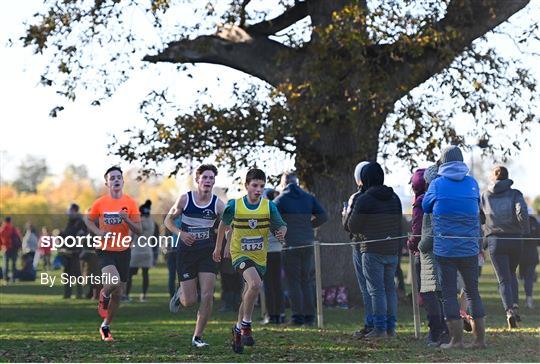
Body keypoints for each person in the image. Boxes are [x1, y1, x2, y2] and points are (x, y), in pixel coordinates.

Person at [213, 168, 287, 354]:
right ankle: (246, 324)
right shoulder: (235, 205)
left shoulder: (269, 206)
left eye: (261, 186)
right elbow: (223, 226)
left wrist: (281, 232)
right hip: (240, 254)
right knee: (255, 284)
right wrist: (218, 248)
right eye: (254, 185)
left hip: (260, 256)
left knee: (249, 292)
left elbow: (281, 225)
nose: (258, 189)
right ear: (246, 186)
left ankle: (237, 330)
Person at [423, 145, 486, 349]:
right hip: (469, 248)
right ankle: (479, 340)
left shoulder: (437, 184)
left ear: (443, 161)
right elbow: (476, 206)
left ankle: (456, 340)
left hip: (445, 248)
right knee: (472, 292)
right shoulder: (472, 183)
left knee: (449, 293)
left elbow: (425, 206)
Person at [165, 164, 226, 348]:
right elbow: (167, 220)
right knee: (189, 301)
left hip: (207, 252)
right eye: (205, 177)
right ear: (198, 180)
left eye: (211, 178)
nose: (208, 181)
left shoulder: (217, 204)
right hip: (186, 252)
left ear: (214, 181)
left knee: (207, 295)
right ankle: (180, 294)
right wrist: (181, 233)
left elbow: (227, 224)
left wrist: (222, 246)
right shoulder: (185, 199)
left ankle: (197, 337)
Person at [85, 166, 142, 341]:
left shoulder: (131, 203)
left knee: (119, 293)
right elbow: (88, 220)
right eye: (112, 178)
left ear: (123, 181)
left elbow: (138, 229)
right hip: (104, 249)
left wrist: (126, 220)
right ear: (107, 183)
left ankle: (106, 325)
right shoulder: (100, 203)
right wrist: (98, 232)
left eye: (118, 177)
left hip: (123, 251)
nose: (116, 180)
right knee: (113, 281)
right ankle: (103, 294)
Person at [347, 161, 403, 339]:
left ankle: (379, 329)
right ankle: (390, 329)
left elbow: (353, 226)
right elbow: (399, 223)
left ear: (364, 178)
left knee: (376, 291)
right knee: (389, 290)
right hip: (392, 249)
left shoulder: (365, 199)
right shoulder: (395, 198)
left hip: (372, 250)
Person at [274, 171, 328, 326]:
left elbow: (273, 218)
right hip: (308, 242)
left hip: (291, 243)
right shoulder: (308, 197)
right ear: (297, 183)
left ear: (284, 183)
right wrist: (308, 226)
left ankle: (298, 317)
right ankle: (310, 317)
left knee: (293, 282)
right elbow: (323, 216)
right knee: (307, 281)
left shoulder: (280, 199)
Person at [480, 166, 530, 328]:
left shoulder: (485, 195)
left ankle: (509, 311)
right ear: (507, 177)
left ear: (493, 178)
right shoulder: (515, 193)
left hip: (495, 240)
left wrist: (484, 233)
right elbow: (521, 211)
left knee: (503, 279)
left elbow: (479, 217)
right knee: (511, 273)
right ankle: (514, 306)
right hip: (515, 239)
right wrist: (525, 230)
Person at [417, 165, 449, 347]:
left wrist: (422, 245)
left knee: (431, 294)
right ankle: (442, 331)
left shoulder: (433, 197)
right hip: (441, 250)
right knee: (441, 293)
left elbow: (434, 227)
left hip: (431, 252)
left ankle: (437, 332)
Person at [342, 160, 373, 337]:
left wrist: (343, 214)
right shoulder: (387, 195)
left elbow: (348, 225)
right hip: (384, 244)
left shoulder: (358, 197)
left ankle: (371, 323)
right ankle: (385, 324)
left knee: (367, 286)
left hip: (361, 244)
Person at [262, 188, 285, 325]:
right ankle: (280, 314)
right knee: (277, 284)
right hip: (278, 251)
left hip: (267, 252)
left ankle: (272, 315)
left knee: (269, 285)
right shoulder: (277, 212)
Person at [126, 200, 157, 302]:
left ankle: (126, 295)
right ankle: (143, 295)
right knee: (145, 274)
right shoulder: (152, 222)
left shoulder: (136, 222)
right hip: (147, 250)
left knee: (129, 274)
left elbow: (130, 236)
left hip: (136, 250)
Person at [60, 204, 87, 299]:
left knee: (77, 274)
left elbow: (81, 235)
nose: (69, 213)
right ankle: (67, 294)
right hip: (67, 251)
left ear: (75, 211)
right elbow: (68, 234)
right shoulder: (70, 222)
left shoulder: (80, 222)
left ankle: (79, 294)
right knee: (67, 274)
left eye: (71, 211)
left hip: (76, 252)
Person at [519, 212, 539, 309]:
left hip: (520, 254)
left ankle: (514, 302)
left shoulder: (518, 221)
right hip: (532, 255)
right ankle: (529, 299)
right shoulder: (535, 222)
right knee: (528, 278)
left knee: (523, 277)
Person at [1, 217, 21, 284]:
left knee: (5, 264)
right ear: (10, 221)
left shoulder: (2, 228)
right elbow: (18, 237)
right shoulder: (13, 228)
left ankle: (5, 279)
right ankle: (13, 278)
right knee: (14, 264)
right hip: (14, 248)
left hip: (6, 248)